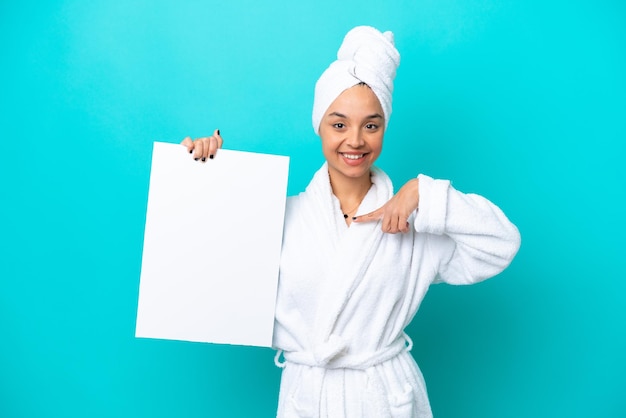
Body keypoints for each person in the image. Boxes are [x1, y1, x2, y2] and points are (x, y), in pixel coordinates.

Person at [181, 26, 520, 418]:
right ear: (319, 126)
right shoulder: (276, 216)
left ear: (384, 128)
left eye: (371, 125)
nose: (355, 140)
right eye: (339, 124)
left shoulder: (414, 222)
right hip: (309, 398)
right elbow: (205, 269)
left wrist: (424, 195)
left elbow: (501, 244)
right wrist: (200, 176)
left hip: (385, 398)